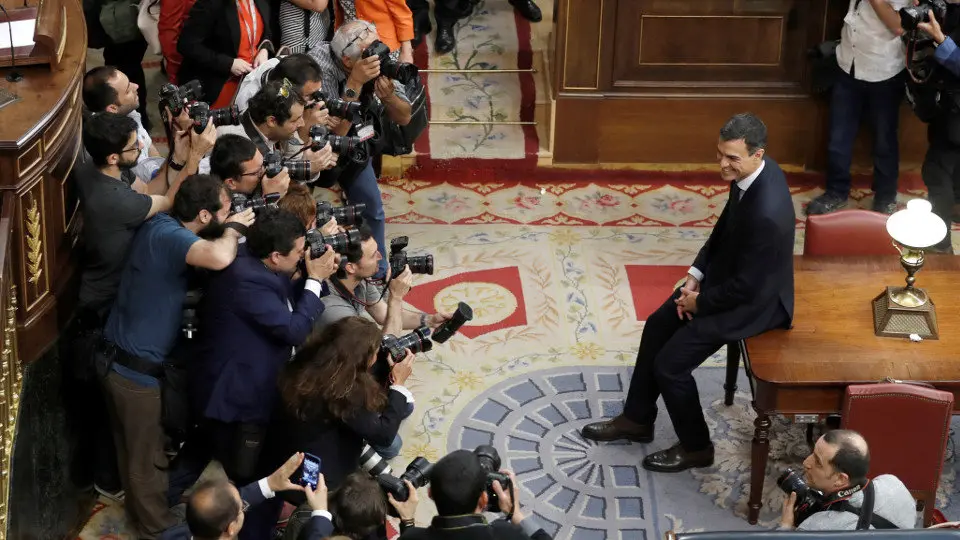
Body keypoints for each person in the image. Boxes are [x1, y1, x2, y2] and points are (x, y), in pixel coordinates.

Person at [580, 113, 795, 473]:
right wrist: (695, 275)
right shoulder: (751, 173)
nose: (722, 164)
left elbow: (750, 287)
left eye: (731, 158)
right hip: (726, 284)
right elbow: (724, 229)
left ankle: (697, 448)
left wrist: (700, 302)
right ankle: (637, 419)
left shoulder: (767, 213)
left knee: (670, 367)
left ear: (758, 154)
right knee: (658, 325)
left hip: (753, 305)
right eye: (720, 154)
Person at [61, 112, 212, 502]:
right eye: (134, 146)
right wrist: (195, 158)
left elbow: (149, 192)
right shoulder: (111, 199)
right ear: (113, 157)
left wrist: (177, 159)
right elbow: (168, 202)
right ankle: (108, 479)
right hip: (102, 308)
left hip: (106, 295)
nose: (143, 146)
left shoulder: (99, 172)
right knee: (109, 406)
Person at [99, 175, 256, 539]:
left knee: (133, 452)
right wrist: (234, 229)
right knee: (146, 459)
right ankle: (158, 528)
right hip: (134, 373)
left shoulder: (161, 224)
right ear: (204, 215)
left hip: (117, 359)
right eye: (225, 211)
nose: (231, 215)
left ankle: (145, 511)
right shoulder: (171, 237)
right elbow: (220, 257)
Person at [191, 208, 339, 485]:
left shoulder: (255, 258)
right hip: (240, 389)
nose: (302, 255)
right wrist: (315, 280)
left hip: (243, 372)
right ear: (275, 256)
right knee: (241, 468)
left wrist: (310, 276)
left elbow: (282, 295)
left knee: (203, 450)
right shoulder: (249, 279)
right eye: (299, 252)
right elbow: (294, 331)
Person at [244, 316, 415, 539]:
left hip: (276, 457)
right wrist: (399, 385)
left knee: (261, 515)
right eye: (374, 352)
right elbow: (383, 434)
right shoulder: (346, 393)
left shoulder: (306, 361)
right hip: (317, 475)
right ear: (362, 359)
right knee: (344, 504)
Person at [310, 20, 413, 277]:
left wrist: (389, 97)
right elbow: (332, 137)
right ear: (347, 60)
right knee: (302, 211)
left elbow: (404, 117)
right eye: (370, 53)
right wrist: (355, 83)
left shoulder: (380, 56)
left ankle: (377, 271)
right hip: (312, 151)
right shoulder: (319, 66)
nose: (379, 57)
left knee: (372, 210)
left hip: (356, 143)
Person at [805, 0, 912, 216]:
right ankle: (836, 192)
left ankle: (885, 197)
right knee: (838, 139)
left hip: (885, 69)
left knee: (884, 141)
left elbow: (898, 26)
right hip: (848, 62)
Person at [160, 453, 335, 539]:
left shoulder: (174, 534)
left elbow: (225, 505)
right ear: (231, 528)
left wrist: (269, 483)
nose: (244, 503)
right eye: (242, 508)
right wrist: (321, 513)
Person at [317, 225, 450, 337]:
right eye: (373, 255)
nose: (380, 257)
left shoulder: (356, 278)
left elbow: (383, 314)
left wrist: (430, 320)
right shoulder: (335, 310)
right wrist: (396, 297)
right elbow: (383, 350)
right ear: (350, 267)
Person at [390, 450, 552, 540]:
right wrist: (515, 513)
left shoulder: (412, 538)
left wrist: (407, 521)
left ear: (430, 494)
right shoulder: (506, 534)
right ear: (483, 500)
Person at [778, 430, 916, 530]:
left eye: (818, 462)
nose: (806, 463)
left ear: (841, 479)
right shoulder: (893, 484)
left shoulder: (813, 527)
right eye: (812, 453)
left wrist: (786, 527)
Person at [216, 80, 338, 178]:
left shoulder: (272, 127)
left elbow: (295, 159)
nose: (302, 124)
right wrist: (308, 168)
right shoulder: (236, 146)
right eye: (295, 120)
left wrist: (310, 163)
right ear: (272, 121)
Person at [916, 5, 960, 252]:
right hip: (949, 111)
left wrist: (942, 41)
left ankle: (939, 247)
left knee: (937, 173)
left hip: (955, 119)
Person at [177, 0, 273, 108]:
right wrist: (228, 63)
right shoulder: (211, 3)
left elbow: (267, 31)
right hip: (218, 85)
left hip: (251, 83)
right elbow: (187, 44)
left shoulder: (262, 2)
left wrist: (264, 48)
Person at [82, 66, 164, 181]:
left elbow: (149, 145)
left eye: (130, 82)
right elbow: (155, 182)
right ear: (112, 108)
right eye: (127, 91)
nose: (136, 86)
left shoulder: (127, 110)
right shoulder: (119, 145)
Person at [209, 134, 291, 197]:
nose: (264, 172)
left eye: (264, 164)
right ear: (231, 183)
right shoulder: (219, 208)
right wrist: (270, 199)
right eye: (256, 173)